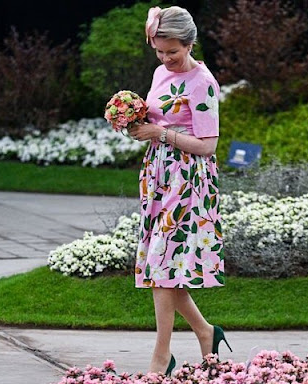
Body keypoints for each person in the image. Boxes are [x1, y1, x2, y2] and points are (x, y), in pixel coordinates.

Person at [127, 6, 230, 375]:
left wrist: (159, 133)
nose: (166, 59)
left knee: (160, 266)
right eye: (160, 51)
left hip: (188, 180)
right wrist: (134, 121)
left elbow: (208, 145)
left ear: (190, 44)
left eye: (173, 51)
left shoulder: (203, 83)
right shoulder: (159, 72)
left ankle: (162, 355)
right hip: (158, 176)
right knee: (165, 269)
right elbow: (158, 115)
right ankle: (207, 332)